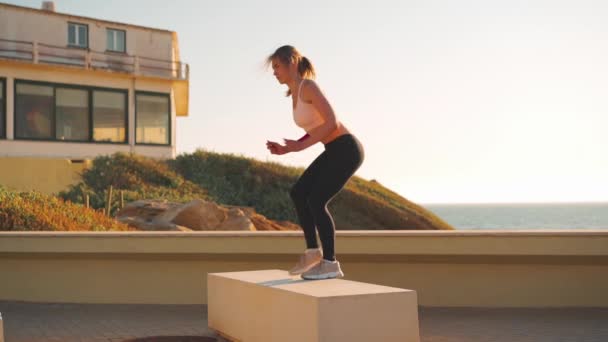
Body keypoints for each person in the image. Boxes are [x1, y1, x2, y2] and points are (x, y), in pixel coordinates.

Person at [265, 45, 364, 280]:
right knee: (299, 193)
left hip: (347, 149)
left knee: (316, 200)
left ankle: (330, 263)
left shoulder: (308, 87)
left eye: (277, 66)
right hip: (333, 149)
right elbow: (317, 127)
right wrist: (289, 148)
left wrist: (299, 146)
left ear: (292, 62)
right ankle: (312, 253)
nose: (274, 72)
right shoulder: (295, 94)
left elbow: (332, 122)